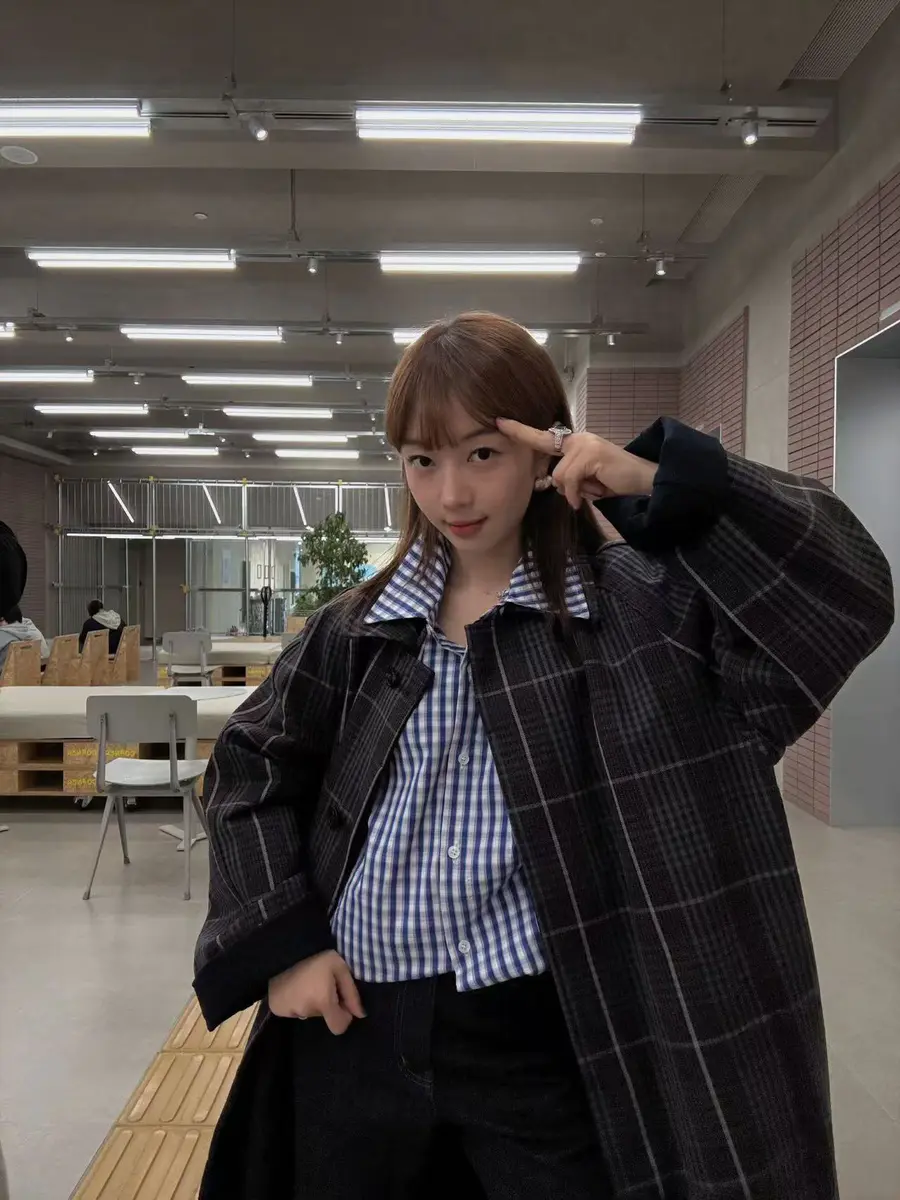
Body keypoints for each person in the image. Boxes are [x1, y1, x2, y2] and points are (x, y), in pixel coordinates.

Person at [192, 313, 894, 1200]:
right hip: (356, 1027)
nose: (451, 493)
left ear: (544, 448)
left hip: (545, 1037)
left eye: (483, 453)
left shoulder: (648, 618)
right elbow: (249, 763)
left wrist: (660, 480)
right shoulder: (360, 630)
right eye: (422, 460)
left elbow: (846, 591)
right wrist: (284, 947)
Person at [0, 603, 50, 669]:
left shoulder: (5, 635)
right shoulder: (31, 628)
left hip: (10, 673)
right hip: (38, 672)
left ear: (2, 619)